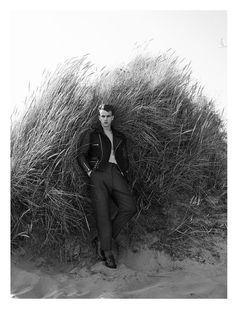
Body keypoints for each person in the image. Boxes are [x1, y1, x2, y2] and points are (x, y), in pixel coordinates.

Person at [78, 104, 136, 268]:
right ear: (99, 117)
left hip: (116, 173)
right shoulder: (92, 134)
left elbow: (124, 158)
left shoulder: (119, 136)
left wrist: (125, 174)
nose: (105, 119)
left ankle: (105, 238)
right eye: (102, 116)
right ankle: (107, 252)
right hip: (98, 174)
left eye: (108, 116)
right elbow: (81, 155)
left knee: (129, 207)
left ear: (112, 118)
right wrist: (90, 173)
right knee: (103, 213)